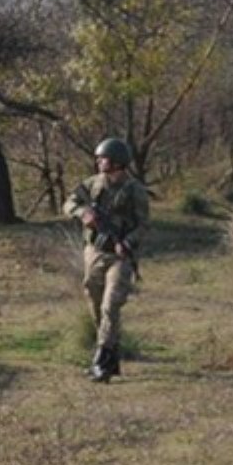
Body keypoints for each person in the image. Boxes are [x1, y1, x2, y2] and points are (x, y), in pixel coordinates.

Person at [63, 137, 150, 383]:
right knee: (94, 300)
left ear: (117, 162)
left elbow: (144, 225)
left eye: (104, 158)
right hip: (94, 252)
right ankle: (111, 355)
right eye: (99, 158)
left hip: (120, 256)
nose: (99, 162)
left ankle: (101, 361)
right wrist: (83, 213)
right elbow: (69, 203)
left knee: (110, 305)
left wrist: (128, 243)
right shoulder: (92, 184)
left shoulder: (135, 190)